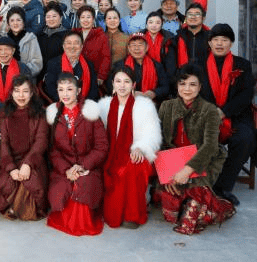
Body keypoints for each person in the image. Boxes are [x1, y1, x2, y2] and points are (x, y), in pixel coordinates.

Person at [156, 64, 235, 235]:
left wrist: (187, 170)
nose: (187, 89)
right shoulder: (166, 107)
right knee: (170, 213)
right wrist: (166, 176)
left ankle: (221, 208)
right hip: (174, 161)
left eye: (192, 84)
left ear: (200, 87)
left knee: (192, 209)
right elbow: (160, 142)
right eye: (182, 84)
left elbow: (210, 146)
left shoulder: (209, 110)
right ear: (177, 86)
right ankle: (202, 205)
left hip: (203, 160)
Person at [98, 67, 161, 229]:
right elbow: (96, 134)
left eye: (126, 81)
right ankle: (115, 211)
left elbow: (152, 135)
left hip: (135, 152)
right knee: (103, 170)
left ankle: (131, 215)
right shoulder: (104, 105)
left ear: (133, 85)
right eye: (118, 81)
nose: (122, 85)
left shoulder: (144, 106)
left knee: (133, 166)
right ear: (112, 84)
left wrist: (141, 147)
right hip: (110, 153)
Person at [201, 24, 256, 206]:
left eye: (224, 40)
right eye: (215, 39)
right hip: (206, 114)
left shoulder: (243, 65)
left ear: (231, 43)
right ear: (210, 43)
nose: (219, 43)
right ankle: (200, 183)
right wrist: (212, 112)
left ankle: (223, 187)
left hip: (236, 114)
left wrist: (224, 111)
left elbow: (246, 94)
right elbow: (194, 92)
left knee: (245, 138)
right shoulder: (198, 64)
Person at [46, 73, 108, 236]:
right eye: (61, 90)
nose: (65, 94)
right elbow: (53, 150)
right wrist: (66, 169)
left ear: (78, 91)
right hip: (64, 169)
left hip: (88, 167)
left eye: (69, 89)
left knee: (83, 187)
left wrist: (83, 166)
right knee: (63, 188)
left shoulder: (90, 112)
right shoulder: (54, 114)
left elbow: (101, 147)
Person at [0, 75, 49, 220]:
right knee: (6, 188)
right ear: (12, 93)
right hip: (11, 161)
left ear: (32, 93)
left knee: (30, 184)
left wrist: (28, 164)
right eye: (17, 91)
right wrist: (11, 168)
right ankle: (16, 206)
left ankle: (17, 207)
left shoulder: (40, 114)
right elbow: (2, 143)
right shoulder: (5, 113)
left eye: (25, 91)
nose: (21, 95)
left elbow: (41, 142)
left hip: (33, 161)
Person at [108, 34, 170, 102]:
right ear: (129, 48)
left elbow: (165, 87)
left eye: (140, 45)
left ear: (146, 48)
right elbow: (110, 85)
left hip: (150, 103)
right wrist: (129, 92)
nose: (137, 48)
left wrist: (154, 93)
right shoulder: (119, 65)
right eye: (133, 45)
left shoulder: (157, 66)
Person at [0, 37, 32, 114]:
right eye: (0, 49)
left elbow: (28, 91)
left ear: (13, 51)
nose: (3, 53)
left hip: (18, 109)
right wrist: (3, 108)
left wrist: (13, 108)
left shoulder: (23, 68)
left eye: (7, 49)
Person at [44, 31, 99, 102]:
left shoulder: (89, 65)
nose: (72, 46)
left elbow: (93, 90)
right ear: (63, 46)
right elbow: (50, 88)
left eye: (76, 43)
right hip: (61, 103)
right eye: (69, 43)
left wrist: (84, 104)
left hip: (84, 103)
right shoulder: (53, 63)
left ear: (81, 46)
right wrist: (66, 101)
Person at [74, 5, 110, 85]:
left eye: (88, 17)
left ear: (93, 19)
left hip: (94, 75)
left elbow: (106, 57)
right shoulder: (74, 34)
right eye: (82, 17)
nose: (85, 20)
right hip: (76, 74)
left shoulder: (101, 35)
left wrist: (101, 76)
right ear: (79, 19)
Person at [6, 7, 42, 78]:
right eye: (12, 20)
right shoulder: (4, 39)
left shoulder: (31, 38)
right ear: (8, 23)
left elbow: (37, 64)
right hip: (6, 78)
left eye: (18, 20)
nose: (15, 23)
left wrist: (20, 73)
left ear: (23, 22)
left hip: (26, 79)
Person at [142, 11, 177, 82]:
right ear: (146, 24)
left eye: (157, 23)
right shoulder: (140, 37)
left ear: (161, 25)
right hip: (144, 73)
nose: (154, 25)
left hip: (163, 73)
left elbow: (171, 63)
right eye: (150, 22)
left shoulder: (168, 38)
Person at [37, 2, 67, 81]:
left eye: (54, 16)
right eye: (48, 17)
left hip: (60, 77)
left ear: (61, 18)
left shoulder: (67, 36)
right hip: (41, 77)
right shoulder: (40, 36)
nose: (51, 19)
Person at [175, 2, 209, 69]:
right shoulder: (177, 38)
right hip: (183, 74)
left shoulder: (210, 38)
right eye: (190, 14)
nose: (193, 17)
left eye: (197, 14)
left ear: (203, 18)